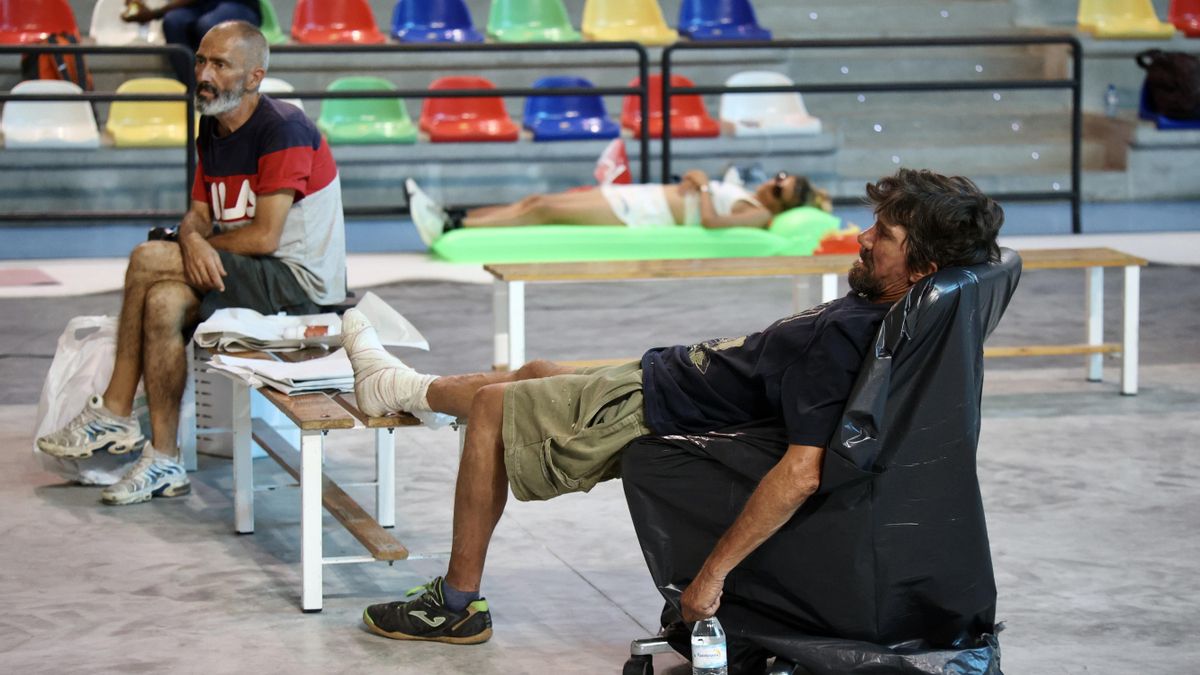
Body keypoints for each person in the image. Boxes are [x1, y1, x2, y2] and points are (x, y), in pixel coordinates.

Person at [342, 168, 1003, 646]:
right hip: (675, 371)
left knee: (492, 407)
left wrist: (711, 576)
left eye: (882, 234)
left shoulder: (846, 338)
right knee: (538, 372)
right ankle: (400, 387)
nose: (862, 237)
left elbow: (802, 469)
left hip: (660, 402)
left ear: (922, 265)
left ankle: (457, 603)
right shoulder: (898, 310)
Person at [36, 21, 346, 506]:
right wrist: (191, 240)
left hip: (298, 283)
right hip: (244, 270)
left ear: (254, 77)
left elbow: (265, 237)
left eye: (220, 64)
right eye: (201, 60)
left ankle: (115, 410)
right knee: (162, 302)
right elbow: (199, 215)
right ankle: (164, 460)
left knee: (145, 258)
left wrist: (202, 245)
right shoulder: (213, 125)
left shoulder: (282, 129)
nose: (203, 73)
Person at [404, 170, 832, 246]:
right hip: (641, 197)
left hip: (638, 216)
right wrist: (695, 181)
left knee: (547, 210)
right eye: (779, 175)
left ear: (780, 203)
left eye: (780, 186)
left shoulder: (759, 214)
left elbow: (714, 222)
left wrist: (702, 187)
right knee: (539, 201)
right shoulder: (745, 191)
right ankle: (456, 219)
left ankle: (451, 227)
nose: (771, 182)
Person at [122, 1, 262, 83]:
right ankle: (194, 89)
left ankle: (225, 90)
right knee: (173, 22)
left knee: (208, 26)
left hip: (240, 4)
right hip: (202, 6)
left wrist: (154, 13)